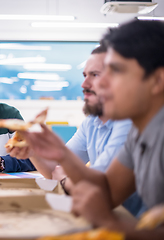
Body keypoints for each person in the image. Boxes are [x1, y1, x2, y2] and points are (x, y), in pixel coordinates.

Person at [19, 19, 164, 239]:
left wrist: (110, 222)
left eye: (116, 71)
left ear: (157, 81)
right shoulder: (140, 131)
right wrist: (62, 154)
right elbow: (108, 189)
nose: (99, 84)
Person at [9, 45, 144, 217]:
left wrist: (65, 180)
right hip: (106, 215)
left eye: (95, 75)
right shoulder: (92, 121)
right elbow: (55, 169)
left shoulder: (129, 122)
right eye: (85, 75)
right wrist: (32, 151)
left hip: (132, 221)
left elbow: (99, 188)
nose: (84, 84)